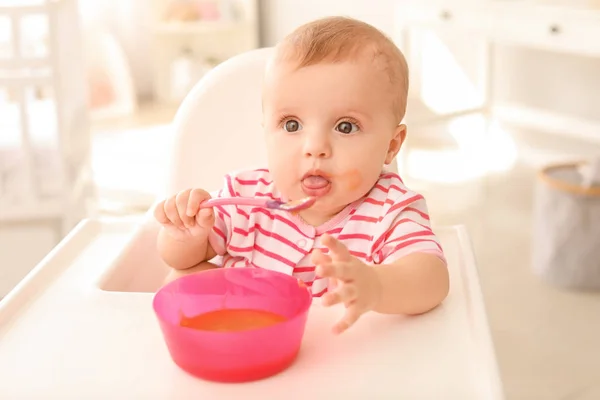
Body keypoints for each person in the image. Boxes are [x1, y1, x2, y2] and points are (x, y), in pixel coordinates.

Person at [154, 16, 449, 334]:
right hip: (245, 343)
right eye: (292, 125)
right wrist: (185, 236)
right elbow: (180, 260)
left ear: (391, 146)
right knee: (181, 280)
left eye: (345, 126)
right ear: (266, 132)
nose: (315, 147)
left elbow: (432, 279)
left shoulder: (390, 210)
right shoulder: (245, 196)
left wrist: (376, 286)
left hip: (339, 362)